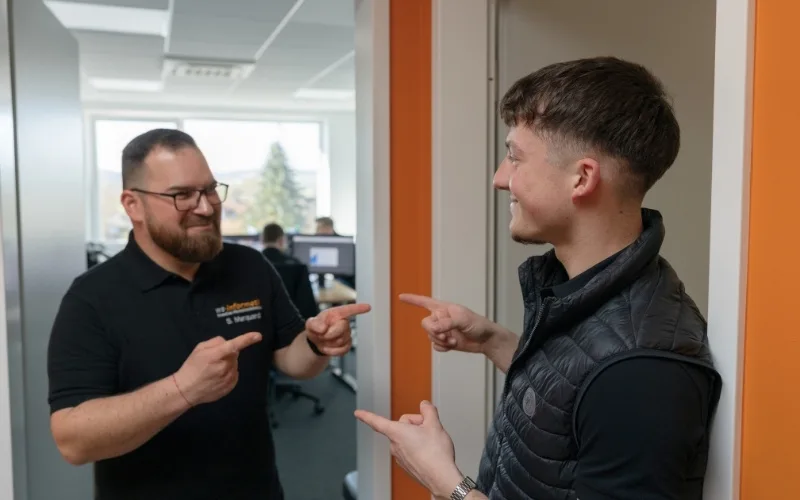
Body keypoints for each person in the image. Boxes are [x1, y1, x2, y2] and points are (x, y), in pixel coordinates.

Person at [355, 56, 722, 500]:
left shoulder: (642, 369)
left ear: (582, 178)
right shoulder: (600, 293)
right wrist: (493, 340)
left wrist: (445, 482)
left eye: (514, 156)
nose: (499, 178)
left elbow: (607, 380)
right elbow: (576, 392)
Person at [47, 128, 370, 500]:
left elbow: (291, 360)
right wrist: (183, 390)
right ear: (133, 204)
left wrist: (315, 344)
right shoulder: (91, 298)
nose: (205, 207)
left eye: (210, 189)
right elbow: (73, 440)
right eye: (182, 195)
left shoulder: (250, 266)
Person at [262, 222, 319, 319]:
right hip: (292, 325)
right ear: (281, 240)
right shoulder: (296, 265)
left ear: (262, 240)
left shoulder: (253, 264)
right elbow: (309, 307)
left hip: (261, 324)